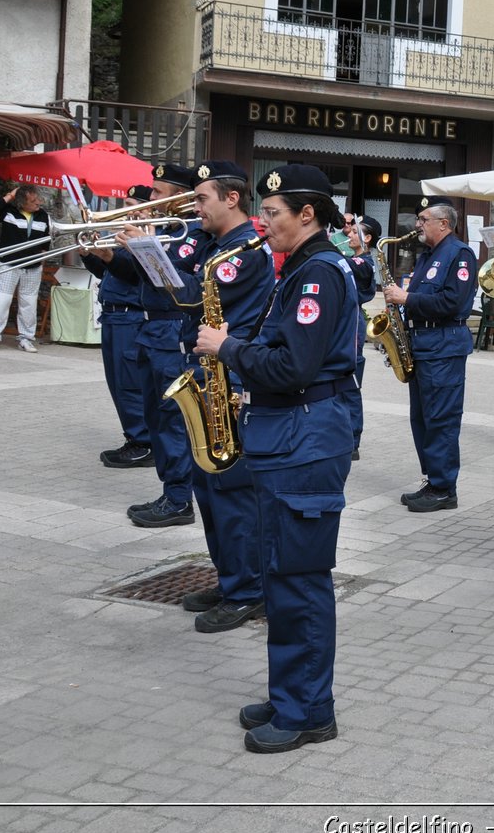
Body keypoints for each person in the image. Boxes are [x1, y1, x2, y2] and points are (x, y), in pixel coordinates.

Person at [194, 163, 357, 754]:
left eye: (271, 214)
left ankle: (310, 711)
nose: (262, 225)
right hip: (289, 435)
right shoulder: (302, 269)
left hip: (305, 440)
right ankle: (292, 693)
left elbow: (295, 367)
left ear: (306, 214)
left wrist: (227, 347)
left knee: (299, 581)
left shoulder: (317, 275)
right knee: (280, 576)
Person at [178, 162, 275, 631]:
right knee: (209, 488)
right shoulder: (215, 247)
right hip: (208, 372)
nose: (195, 207)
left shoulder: (242, 250)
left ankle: (248, 590)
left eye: (201, 198)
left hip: (231, 378)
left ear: (230, 198)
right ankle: (230, 576)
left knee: (232, 491)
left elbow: (190, 297)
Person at [104, 164, 212, 529]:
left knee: (172, 421)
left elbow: (178, 283)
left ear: (180, 197)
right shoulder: (165, 229)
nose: (151, 199)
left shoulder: (194, 233)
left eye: (158, 193)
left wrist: (144, 244)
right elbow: (139, 277)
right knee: (155, 418)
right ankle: (171, 491)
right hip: (152, 331)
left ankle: (180, 498)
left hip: (173, 332)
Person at [385, 196, 476, 512]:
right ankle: (432, 478)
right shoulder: (427, 255)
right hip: (423, 344)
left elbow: (452, 303)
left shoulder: (460, 255)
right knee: (421, 418)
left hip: (444, 346)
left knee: (441, 419)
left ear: (444, 224)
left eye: (424, 219)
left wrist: (406, 298)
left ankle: (444, 488)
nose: (417, 224)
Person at [82, 185, 153, 469]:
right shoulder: (125, 234)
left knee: (130, 384)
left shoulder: (148, 235)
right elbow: (110, 273)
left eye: (133, 204)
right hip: (113, 314)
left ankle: (143, 441)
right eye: (125, 203)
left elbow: (135, 275)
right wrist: (91, 255)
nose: (127, 209)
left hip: (131, 315)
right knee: (117, 384)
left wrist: (111, 256)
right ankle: (133, 437)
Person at [0, 185, 54, 353]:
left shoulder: (43, 216)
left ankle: (26, 338)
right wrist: (10, 195)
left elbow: (46, 239)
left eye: (38, 199)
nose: (38, 203)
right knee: (1, 300)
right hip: (9, 264)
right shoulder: (9, 212)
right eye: (33, 200)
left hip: (33, 266)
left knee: (28, 303)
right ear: (22, 203)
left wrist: (42, 256)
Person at [337, 214, 378, 460]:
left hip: (353, 324)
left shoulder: (365, 262)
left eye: (354, 232)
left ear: (367, 238)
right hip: (345, 321)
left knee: (350, 385)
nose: (349, 235)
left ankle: (353, 440)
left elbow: (345, 267)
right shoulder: (354, 258)